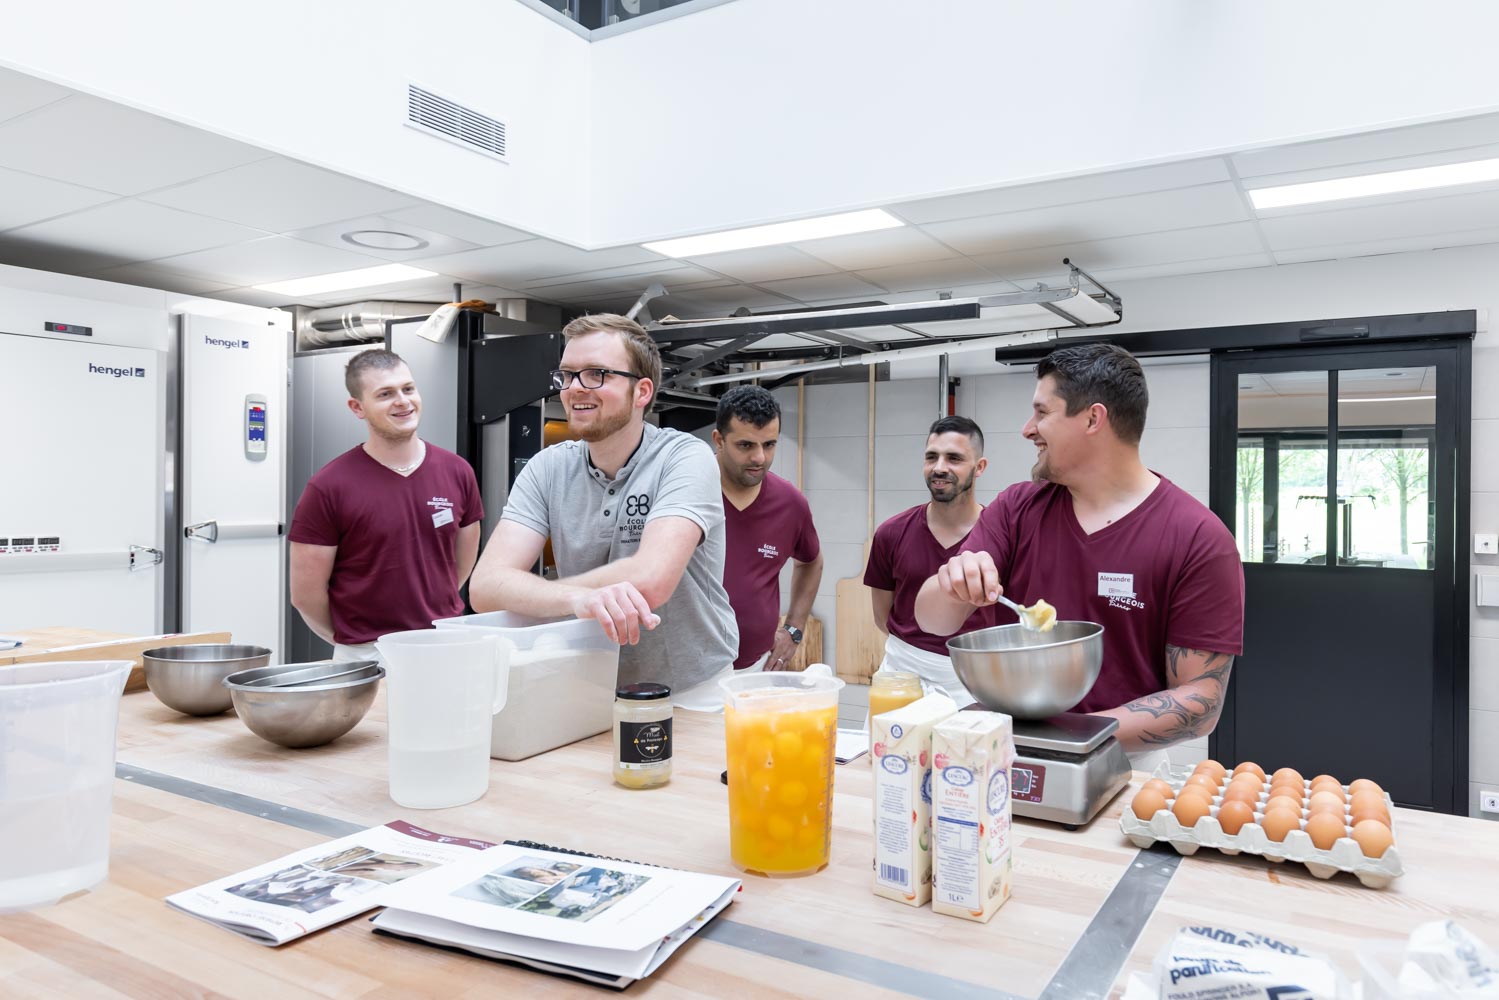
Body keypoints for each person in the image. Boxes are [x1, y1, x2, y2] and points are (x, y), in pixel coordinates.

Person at [915, 344, 1244, 764]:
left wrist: (1067, 736)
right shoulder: (1018, 508)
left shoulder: (1198, 538)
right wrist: (955, 583)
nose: (1027, 429)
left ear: (1093, 418)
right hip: (1003, 751)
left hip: (1120, 759)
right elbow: (930, 619)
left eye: (1042, 412)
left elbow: (1202, 700)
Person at [467, 313, 738, 708]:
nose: (575, 389)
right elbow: (486, 587)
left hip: (691, 689)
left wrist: (550, 596)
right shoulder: (548, 468)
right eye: (567, 375)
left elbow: (651, 580)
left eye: (596, 374)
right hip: (590, 683)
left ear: (641, 391)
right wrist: (575, 602)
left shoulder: (685, 458)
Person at [288, 349, 483, 661]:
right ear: (357, 407)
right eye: (385, 394)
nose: (403, 401)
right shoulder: (328, 486)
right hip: (367, 655)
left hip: (444, 644)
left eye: (408, 389)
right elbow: (306, 595)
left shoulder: (457, 471)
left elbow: (459, 567)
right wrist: (355, 642)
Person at [863, 416, 992, 706]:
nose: (939, 467)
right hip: (902, 675)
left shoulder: (1000, 536)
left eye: (954, 458)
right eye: (931, 457)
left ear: (979, 467)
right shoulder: (891, 533)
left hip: (972, 684)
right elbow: (882, 616)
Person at [713, 386, 823, 672]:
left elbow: (811, 562)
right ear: (719, 440)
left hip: (756, 669)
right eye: (746, 445)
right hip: (688, 676)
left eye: (769, 444)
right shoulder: (686, 492)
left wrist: (795, 629)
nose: (760, 457)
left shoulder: (790, 503)